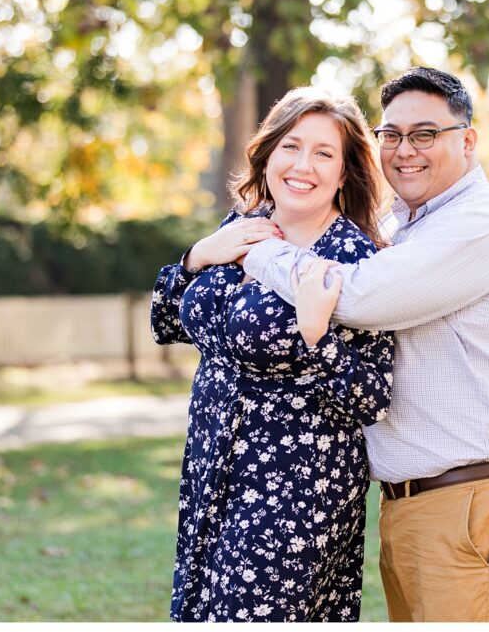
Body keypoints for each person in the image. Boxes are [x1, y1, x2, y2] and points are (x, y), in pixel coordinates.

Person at [243, 67, 489, 622]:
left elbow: (356, 296)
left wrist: (255, 248)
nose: (404, 150)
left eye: (425, 134)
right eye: (391, 135)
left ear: (468, 140)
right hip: (418, 502)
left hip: (472, 499)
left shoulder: (477, 225)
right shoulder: (404, 223)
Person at [150, 87, 395, 622]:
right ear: (267, 154)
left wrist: (317, 339)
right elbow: (166, 322)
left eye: (324, 153)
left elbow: (373, 398)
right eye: (291, 146)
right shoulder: (241, 228)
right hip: (212, 468)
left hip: (296, 486)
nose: (302, 165)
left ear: (346, 171)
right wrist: (195, 258)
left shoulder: (353, 260)